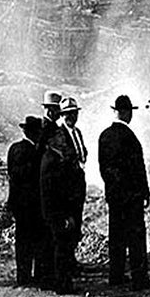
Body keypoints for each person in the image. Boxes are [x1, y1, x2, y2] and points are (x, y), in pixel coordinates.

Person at [98, 95, 150, 290]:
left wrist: (114, 189)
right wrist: (144, 192)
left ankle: (116, 275)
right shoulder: (130, 138)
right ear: (127, 113)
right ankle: (140, 279)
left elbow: (104, 169)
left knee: (116, 236)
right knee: (136, 237)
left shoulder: (104, 136)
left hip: (114, 197)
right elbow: (139, 168)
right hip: (132, 198)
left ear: (115, 111)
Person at [40, 109, 81, 295]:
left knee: (59, 247)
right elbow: (53, 193)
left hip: (57, 212)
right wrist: (64, 216)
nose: (62, 139)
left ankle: (60, 282)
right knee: (60, 248)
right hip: (57, 212)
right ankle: (62, 284)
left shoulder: (54, 157)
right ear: (51, 141)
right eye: (58, 137)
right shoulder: (51, 161)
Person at [6, 115, 47, 287]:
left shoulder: (14, 148)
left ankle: (24, 276)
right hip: (32, 204)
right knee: (35, 240)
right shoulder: (34, 152)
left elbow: (11, 177)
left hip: (19, 204)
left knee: (23, 241)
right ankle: (35, 275)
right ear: (34, 133)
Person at [60, 96, 88, 268]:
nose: (72, 117)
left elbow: (83, 154)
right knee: (67, 225)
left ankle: (72, 259)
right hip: (66, 187)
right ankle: (67, 262)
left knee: (76, 224)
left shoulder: (77, 132)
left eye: (74, 113)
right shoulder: (59, 135)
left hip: (78, 185)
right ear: (62, 115)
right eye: (68, 114)